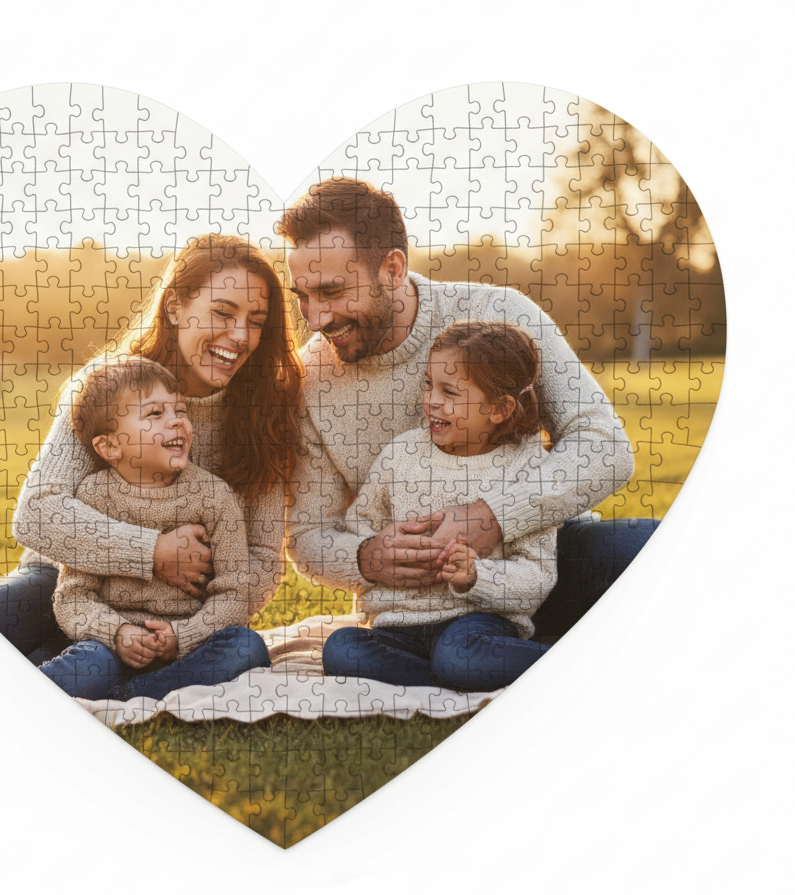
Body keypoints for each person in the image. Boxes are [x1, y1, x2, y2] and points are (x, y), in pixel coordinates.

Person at [279, 177, 657, 644]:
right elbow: (309, 535)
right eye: (303, 296)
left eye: (332, 292)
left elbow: (604, 448)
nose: (315, 319)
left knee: (661, 550)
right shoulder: (308, 382)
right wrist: (367, 558)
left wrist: (493, 515)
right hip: (421, 609)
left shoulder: (498, 313)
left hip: (539, 564)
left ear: (393, 269)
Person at [0, 233, 303, 664]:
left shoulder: (266, 414)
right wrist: (154, 553)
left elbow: (260, 559)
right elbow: (36, 513)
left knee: (242, 652)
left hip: (179, 617)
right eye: (223, 312)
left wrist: (188, 626)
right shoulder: (106, 387)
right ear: (175, 307)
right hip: (68, 588)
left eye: (256, 321)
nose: (240, 335)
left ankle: (115, 680)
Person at [323, 320, 557, 691]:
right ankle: (447, 677)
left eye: (450, 392)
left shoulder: (524, 468)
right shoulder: (401, 454)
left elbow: (538, 576)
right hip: (398, 625)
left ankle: (574, 663)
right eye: (429, 385)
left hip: (476, 623)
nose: (432, 400)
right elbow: (360, 530)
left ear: (499, 408)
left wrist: (476, 576)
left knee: (460, 655)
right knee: (341, 650)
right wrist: (376, 549)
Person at [37, 356, 268, 701]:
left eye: (181, 411)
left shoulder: (215, 497)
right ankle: (13, 695)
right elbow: (73, 596)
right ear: (110, 447)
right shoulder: (94, 495)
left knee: (246, 649)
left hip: (189, 648)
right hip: (112, 647)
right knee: (89, 666)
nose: (176, 422)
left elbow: (235, 595)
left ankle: (131, 694)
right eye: (155, 414)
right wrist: (117, 632)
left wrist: (183, 635)